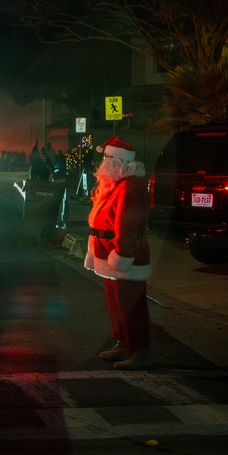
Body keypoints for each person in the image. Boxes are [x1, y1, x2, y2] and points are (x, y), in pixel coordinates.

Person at [84, 136, 153, 370]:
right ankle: (124, 343)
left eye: (107, 159)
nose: (103, 163)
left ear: (118, 161)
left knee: (131, 305)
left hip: (124, 255)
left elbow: (126, 224)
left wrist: (123, 254)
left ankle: (139, 351)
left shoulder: (128, 187)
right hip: (109, 254)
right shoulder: (116, 184)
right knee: (117, 304)